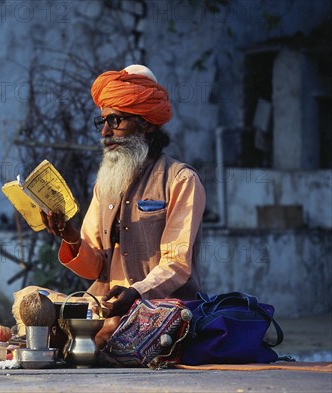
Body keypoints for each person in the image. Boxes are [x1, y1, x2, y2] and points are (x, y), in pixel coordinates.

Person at [12, 64, 206, 343]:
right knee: (29, 298)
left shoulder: (181, 180)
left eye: (115, 121)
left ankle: (58, 340)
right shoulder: (106, 184)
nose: (105, 132)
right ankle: (67, 338)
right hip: (103, 306)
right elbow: (95, 268)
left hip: (158, 308)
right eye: (102, 121)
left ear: (147, 123)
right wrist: (71, 238)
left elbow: (177, 264)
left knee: (112, 325)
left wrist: (135, 293)